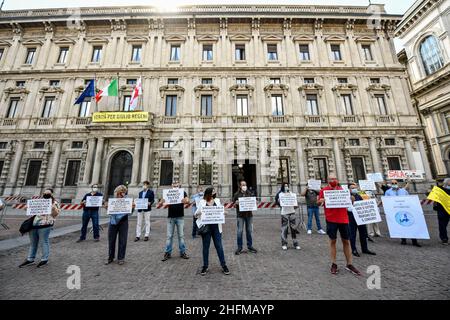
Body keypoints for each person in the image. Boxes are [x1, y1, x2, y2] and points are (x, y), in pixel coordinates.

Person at [318, 175, 361, 276]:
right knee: (332, 241)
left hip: (343, 219)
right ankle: (334, 263)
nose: (333, 180)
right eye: (331, 179)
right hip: (331, 219)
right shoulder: (324, 191)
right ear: (327, 181)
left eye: (334, 179)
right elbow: (318, 202)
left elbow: (350, 204)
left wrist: (352, 199)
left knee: (346, 241)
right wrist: (320, 201)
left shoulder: (343, 190)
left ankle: (349, 264)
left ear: (337, 180)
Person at [19, 189, 61, 268]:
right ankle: (30, 259)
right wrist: (26, 207)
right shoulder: (38, 201)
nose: (46, 194)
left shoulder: (55, 203)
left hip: (45, 225)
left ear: (52, 194)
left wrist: (53, 209)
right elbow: (28, 210)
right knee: (33, 243)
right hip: (33, 224)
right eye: (45, 193)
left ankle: (44, 259)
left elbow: (55, 214)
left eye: (48, 193)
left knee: (44, 242)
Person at [195, 187, 230, 275]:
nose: (214, 193)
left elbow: (221, 211)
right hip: (206, 229)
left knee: (219, 246)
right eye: (213, 192)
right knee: (205, 248)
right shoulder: (202, 202)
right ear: (208, 193)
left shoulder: (217, 201)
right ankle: (205, 266)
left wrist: (225, 212)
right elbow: (195, 214)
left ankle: (224, 265)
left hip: (216, 228)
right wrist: (199, 213)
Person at [385, 179, 421, 247]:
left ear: (397, 183)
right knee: (400, 224)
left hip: (406, 210)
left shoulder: (403, 191)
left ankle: (414, 240)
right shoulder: (388, 192)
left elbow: (409, 199)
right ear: (390, 184)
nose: (394, 184)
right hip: (396, 211)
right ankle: (403, 239)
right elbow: (386, 201)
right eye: (392, 183)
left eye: (395, 183)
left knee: (410, 225)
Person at [161, 181, 189, 261]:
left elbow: (188, 200)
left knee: (181, 236)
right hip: (171, 217)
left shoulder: (182, 192)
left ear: (179, 186)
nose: (175, 187)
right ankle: (167, 253)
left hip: (180, 217)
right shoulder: (168, 193)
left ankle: (183, 252)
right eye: (174, 185)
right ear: (171, 186)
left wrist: (186, 200)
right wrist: (162, 202)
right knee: (169, 236)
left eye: (177, 185)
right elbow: (162, 204)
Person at [105, 185, 133, 265]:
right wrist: (106, 207)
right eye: (120, 192)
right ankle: (110, 257)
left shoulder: (127, 200)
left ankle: (121, 258)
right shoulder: (113, 200)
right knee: (111, 240)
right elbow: (109, 211)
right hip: (113, 222)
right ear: (116, 192)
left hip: (123, 222)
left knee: (123, 240)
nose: (121, 194)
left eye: (123, 192)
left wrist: (132, 207)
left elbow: (130, 213)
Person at [348, 183, 376, 257]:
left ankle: (365, 249)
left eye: (355, 187)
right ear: (349, 189)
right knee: (352, 235)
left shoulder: (359, 195)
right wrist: (352, 201)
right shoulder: (347, 197)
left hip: (360, 218)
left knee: (363, 234)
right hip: (351, 219)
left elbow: (363, 205)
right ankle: (353, 249)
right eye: (352, 188)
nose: (354, 189)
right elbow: (347, 209)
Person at [233, 180, 258, 255]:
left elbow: (253, 202)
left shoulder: (250, 193)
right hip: (240, 216)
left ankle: (250, 246)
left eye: (245, 185)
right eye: (243, 185)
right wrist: (236, 203)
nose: (244, 186)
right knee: (239, 231)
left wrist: (255, 202)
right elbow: (234, 205)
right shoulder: (236, 194)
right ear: (240, 186)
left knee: (249, 231)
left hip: (249, 215)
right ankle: (239, 247)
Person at [276, 182, 300, 250]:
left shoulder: (292, 194)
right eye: (285, 186)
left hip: (292, 212)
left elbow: (295, 203)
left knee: (293, 229)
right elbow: (278, 202)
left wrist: (296, 204)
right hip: (284, 213)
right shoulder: (280, 194)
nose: (286, 187)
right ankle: (284, 243)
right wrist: (280, 200)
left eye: (287, 186)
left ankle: (295, 243)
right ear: (283, 187)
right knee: (284, 229)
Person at [433, 178, 449, 245]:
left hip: (443, 210)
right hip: (442, 210)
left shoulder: (439, 190)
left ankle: (444, 238)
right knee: (442, 225)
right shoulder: (439, 190)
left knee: (442, 225)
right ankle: (444, 238)